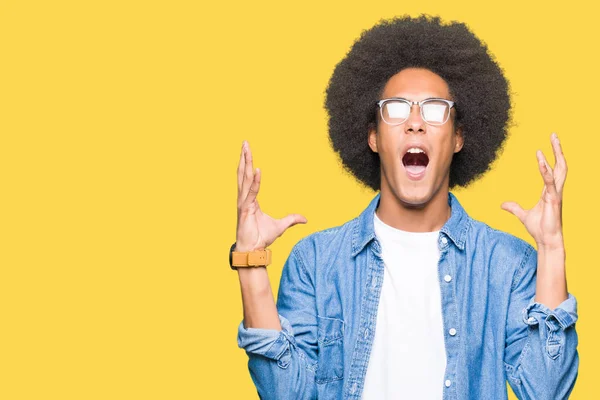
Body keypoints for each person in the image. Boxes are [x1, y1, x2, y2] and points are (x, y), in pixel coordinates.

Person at [230, 15, 579, 400]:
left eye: (434, 109)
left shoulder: (507, 264)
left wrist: (551, 251)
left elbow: (547, 391)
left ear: (458, 137)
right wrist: (251, 264)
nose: (415, 123)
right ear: (373, 137)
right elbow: (284, 394)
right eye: (396, 108)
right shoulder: (316, 261)